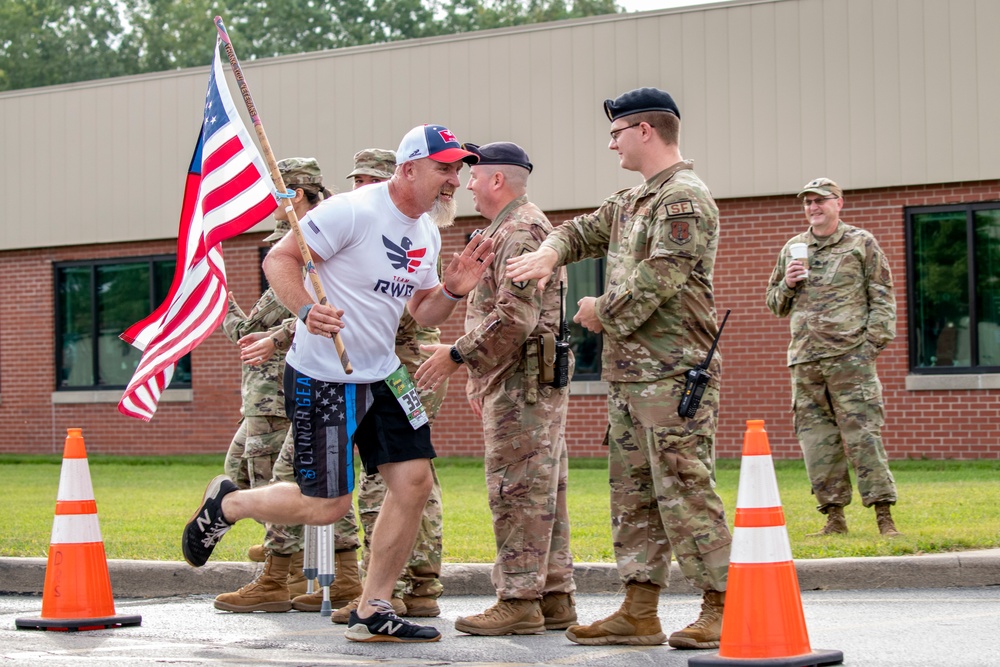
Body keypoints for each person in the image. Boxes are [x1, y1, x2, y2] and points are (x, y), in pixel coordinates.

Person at [182, 124, 494, 644]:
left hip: (383, 371)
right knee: (326, 504)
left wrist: (454, 290)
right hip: (323, 375)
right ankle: (228, 504)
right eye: (444, 168)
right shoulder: (352, 211)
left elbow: (420, 308)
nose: (454, 181)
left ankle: (373, 607)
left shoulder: (426, 231)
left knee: (413, 482)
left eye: (458, 170)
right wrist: (305, 310)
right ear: (409, 168)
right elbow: (279, 259)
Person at [507, 87, 732, 649]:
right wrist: (550, 253)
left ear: (646, 131)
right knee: (634, 494)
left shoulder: (683, 200)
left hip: (673, 374)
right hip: (633, 375)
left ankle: (724, 605)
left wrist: (598, 311)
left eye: (617, 133)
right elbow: (580, 229)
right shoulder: (634, 200)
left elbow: (661, 279)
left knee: (684, 488)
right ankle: (639, 610)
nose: (611, 144)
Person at [414, 141, 576, 636]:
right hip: (520, 381)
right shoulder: (508, 229)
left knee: (517, 489)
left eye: (475, 175)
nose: (466, 182)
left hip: (521, 385)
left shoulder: (521, 232)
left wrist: (456, 355)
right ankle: (553, 597)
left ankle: (519, 600)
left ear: (498, 180)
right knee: (544, 488)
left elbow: (516, 317)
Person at [213, 158, 366, 614]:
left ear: (295, 194)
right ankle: (291, 565)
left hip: (293, 392)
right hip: (282, 391)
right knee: (264, 476)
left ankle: (284, 573)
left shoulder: (312, 247)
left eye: (274, 193)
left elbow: (271, 325)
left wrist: (224, 307)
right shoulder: (299, 243)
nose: (268, 204)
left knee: (289, 483)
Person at [326, 148, 448, 622]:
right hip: (381, 369)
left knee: (401, 480)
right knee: (407, 480)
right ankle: (397, 591)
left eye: (367, 180)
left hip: (404, 370)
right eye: (355, 180)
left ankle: (403, 589)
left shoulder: (410, 231)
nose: (360, 189)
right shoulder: (364, 222)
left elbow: (398, 309)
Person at [765, 177, 900, 537]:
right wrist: (788, 284)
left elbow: (883, 296)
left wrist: (869, 347)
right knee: (816, 440)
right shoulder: (793, 247)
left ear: (839, 203)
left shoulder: (861, 243)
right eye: (808, 202)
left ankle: (884, 517)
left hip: (849, 358)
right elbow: (774, 304)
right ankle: (834, 517)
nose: (813, 207)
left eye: (820, 200)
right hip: (805, 360)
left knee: (863, 435)